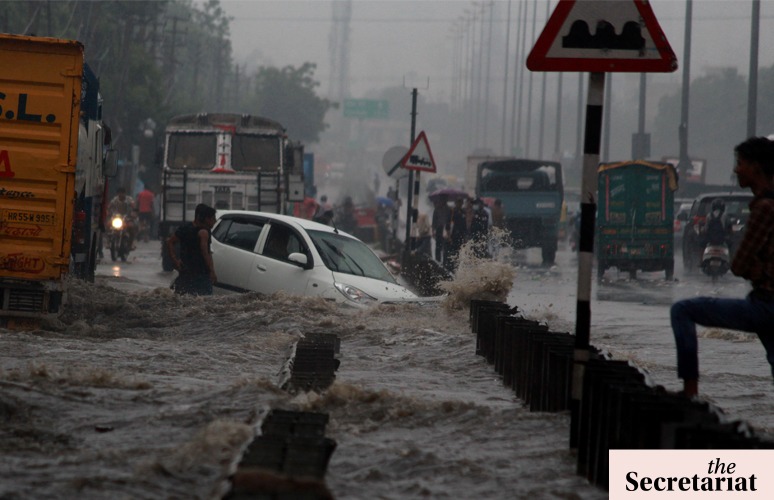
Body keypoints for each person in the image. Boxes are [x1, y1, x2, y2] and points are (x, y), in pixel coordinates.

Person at [670, 137, 774, 398]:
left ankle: (690, 391)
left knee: (682, 310)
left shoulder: (763, 208)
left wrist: (756, 270)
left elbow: (738, 265)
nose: (736, 169)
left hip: (765, 306)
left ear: (757, 167)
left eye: (740, 163)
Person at [166, 203, 218, 296]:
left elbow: (170, 242)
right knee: (203, 303)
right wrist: (212, 271)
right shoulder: (204, 232)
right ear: (206, 219)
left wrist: (175, 261)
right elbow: (205, 253)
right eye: (213, 218)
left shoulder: (185, 228)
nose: (215, 221)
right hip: (200, 274)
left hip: (185, 273)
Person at [431, 195, 451, 264]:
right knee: (438, 246)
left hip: (446, 229)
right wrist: (433, 231)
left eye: (444, 199)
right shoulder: (437, 209)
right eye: (442, 199)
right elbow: (434, 221)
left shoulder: (449, 209)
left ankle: (444, 262)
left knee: (445, 246)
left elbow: (450, 220)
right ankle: (437, 261)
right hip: (439, 229)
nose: (443, 201)